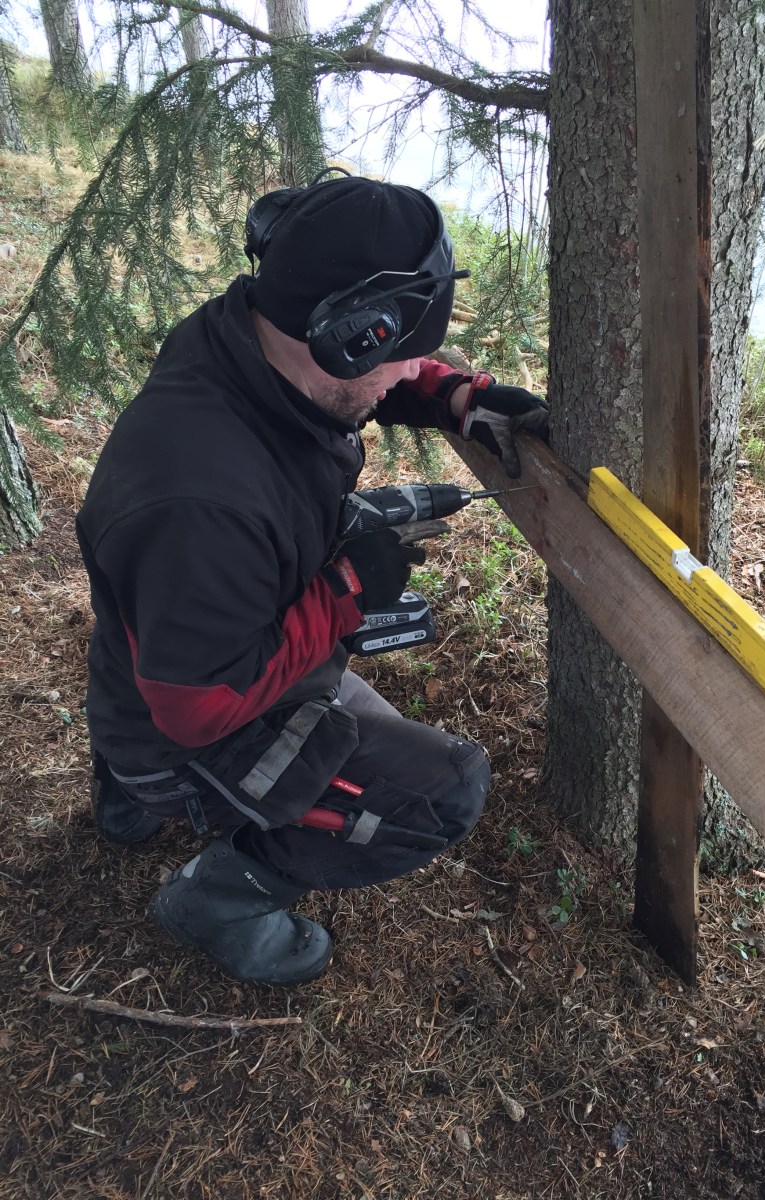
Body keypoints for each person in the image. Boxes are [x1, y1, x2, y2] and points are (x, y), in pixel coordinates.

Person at [76, 172, 549, 987]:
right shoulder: (201, 502)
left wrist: (453, 396)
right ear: (345, 336)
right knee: (444, 791)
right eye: (402, 355)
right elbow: (198, 710)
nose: (413, 369)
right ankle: (218, 899)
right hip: (183, 728)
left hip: (142, 664)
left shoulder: (238, 339)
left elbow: (348, 379)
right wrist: (345, 591)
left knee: (177, 629)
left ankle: (125, 798)